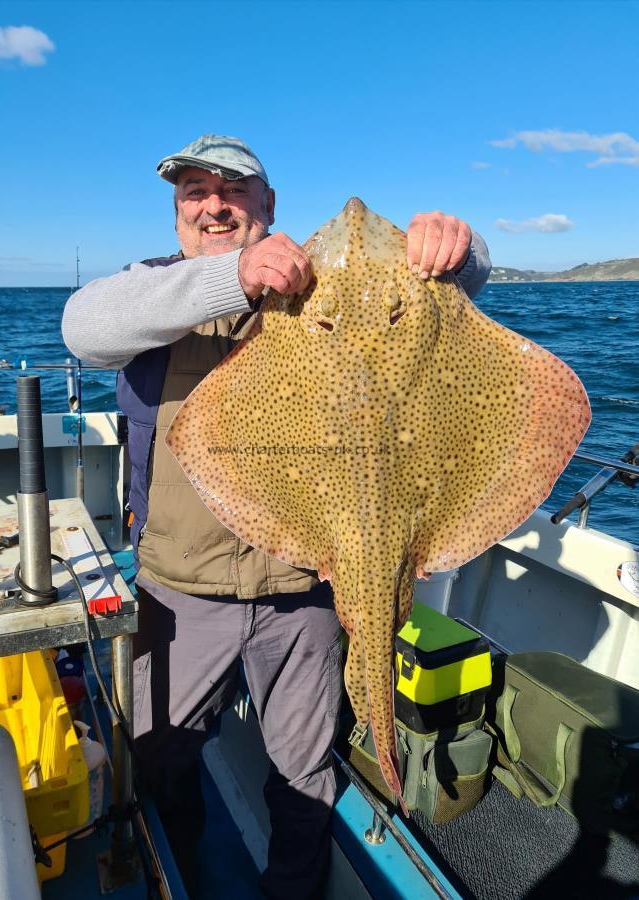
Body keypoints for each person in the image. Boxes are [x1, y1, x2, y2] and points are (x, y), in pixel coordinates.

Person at [62, 133, 492, 898]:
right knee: (162, 758)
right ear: (177, 212)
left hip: (307, 591)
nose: (213, 204)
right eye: (195, 192)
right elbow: (84, 329)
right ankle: (181, 874)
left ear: (268, 207)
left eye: (232, 190)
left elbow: (457, 302)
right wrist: (232, 278)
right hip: (181, 593)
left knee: (303, 766)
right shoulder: (149, 288)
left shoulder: (331, 280)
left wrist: (463, 252)